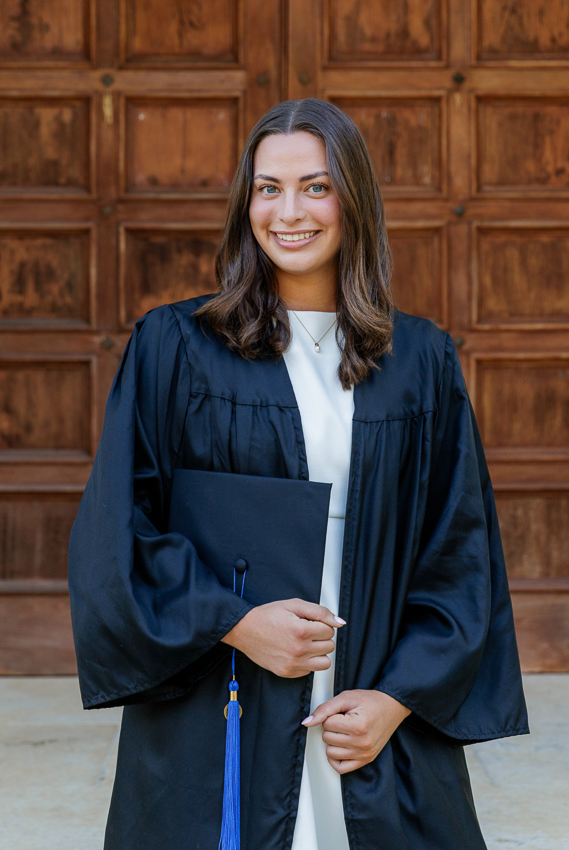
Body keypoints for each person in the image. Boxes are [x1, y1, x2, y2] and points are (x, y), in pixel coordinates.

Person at [68, 98, 529, 850]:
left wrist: (393, 700)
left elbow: (458, 556)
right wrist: (237, 623)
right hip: (222, 698)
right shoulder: (175, 347)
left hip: (370, 709)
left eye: (315, 186)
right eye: (267, 188)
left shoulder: (418, 361)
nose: (289, 212)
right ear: (243, 203)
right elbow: (116, 532)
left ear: (353, 198)